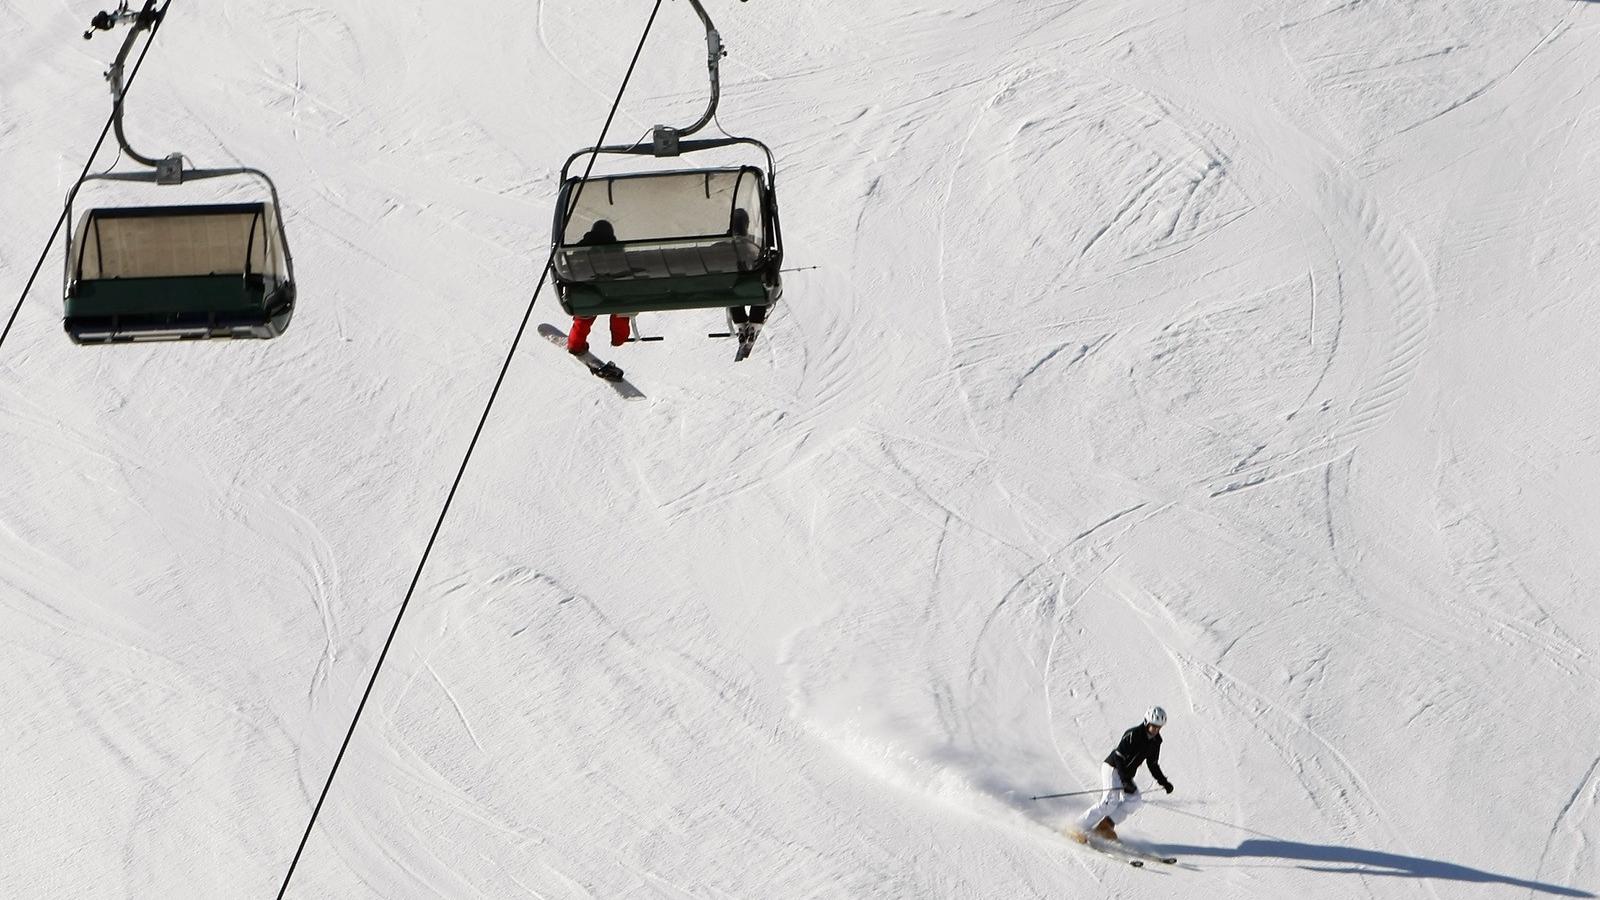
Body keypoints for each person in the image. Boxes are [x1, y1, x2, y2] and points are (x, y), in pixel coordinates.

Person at [1072, 706, 1174, 843]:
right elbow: (1118, 757)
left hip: (1126, 774)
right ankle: (1077, 827)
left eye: (1159, 727)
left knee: (1135, 800)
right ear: (1146, 722)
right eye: (1153, 726)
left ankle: (1105, 826)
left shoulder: (1156, 741)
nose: (1156, 730)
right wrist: (1125, 781)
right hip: (1113, 768)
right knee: (1109, 802)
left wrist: (1164, 782)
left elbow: (1153, 764)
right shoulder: (1133, 734)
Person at [566, 219, 633, 355]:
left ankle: (575, 345)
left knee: (583, 319)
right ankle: (619, 339)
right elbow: (626, 266)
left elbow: (573, 265)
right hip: (614, 292)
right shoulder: (617, 249)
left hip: (590, 290)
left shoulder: (582, 248)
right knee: (620, 312)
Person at [725, 208, 769, 333]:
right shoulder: (754, 242)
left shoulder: (724, 242)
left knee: (731, 289)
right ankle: (755, 321)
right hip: (751, 282)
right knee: (762, 285)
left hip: (732, 284)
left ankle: (740, 322)